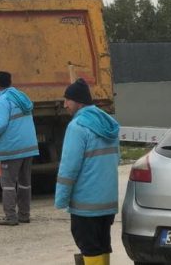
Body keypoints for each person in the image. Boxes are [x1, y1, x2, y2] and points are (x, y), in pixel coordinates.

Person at [55, 78, 120, 265]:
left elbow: (69, 167)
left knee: (89, 247)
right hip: (107, 203)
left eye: (68, 100)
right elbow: (117, 159)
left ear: (79, 102)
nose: (65, 104)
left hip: (86, 204)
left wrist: (61, 199)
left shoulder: (77, 127)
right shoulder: (110, 125)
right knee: (102, 244)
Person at [0, 71, 39, 226]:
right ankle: (24, 214)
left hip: (13, 149)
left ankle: (10, 216)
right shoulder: (21, 97)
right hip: (29, 147)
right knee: (25, 182)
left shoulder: (4, 100)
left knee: (8, 183)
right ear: (11, 81)